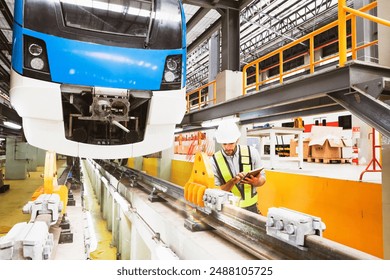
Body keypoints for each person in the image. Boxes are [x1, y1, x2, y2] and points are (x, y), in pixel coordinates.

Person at [210, 119, 266, 214]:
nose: (228, 147)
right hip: (227, 209)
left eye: (231, 143)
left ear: (237, 140)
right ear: (220, 142)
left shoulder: (252, 153)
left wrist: (256, 182)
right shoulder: (214, 161)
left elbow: (263, 179)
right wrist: (232, 182)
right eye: (224, 144)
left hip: (251, 209)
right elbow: (217, 191)